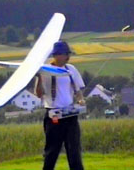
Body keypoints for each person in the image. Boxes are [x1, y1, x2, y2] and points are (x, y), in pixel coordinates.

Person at [35, 41, 85, 170]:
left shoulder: (71, 69)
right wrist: (39, 77)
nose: (68, 57)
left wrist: (80, 100)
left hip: (70, 115)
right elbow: (39, 93)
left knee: (74, 150)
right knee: (52, 151)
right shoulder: (44, 70)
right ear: (57, 55)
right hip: (53, 116)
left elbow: (78, 90)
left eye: (68, 54)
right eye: (65, 54)